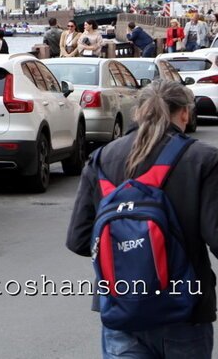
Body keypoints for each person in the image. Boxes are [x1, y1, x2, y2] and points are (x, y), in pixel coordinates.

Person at [66, 80, 218, 359]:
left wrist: (129, 252)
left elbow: (78, 240)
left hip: (122, 309)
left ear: (138, 113)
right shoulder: (203, 159)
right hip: (186, 311)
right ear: (184, 113)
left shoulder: (101, 159)